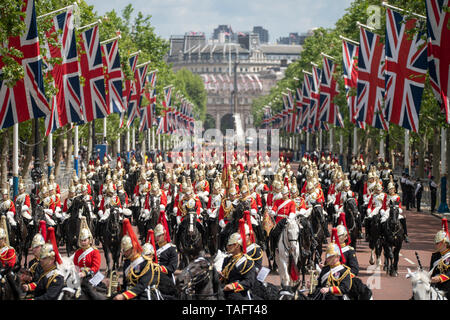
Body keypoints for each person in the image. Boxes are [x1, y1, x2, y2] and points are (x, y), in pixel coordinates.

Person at [114, 219, 165, 300]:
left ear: (132, 248)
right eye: (123, 251)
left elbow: (141, 285)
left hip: (142, 295)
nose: (124, 253)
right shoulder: (127, 262)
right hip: (129, 293)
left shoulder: (146, 263)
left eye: (126, 250)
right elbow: (126, 284)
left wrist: (124, 296)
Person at [24, 227, 65, 300]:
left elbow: (50, 297)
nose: (41, 260)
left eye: (44, 258)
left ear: (52, 259)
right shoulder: (45, 275)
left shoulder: (56, 277)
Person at [219, 232, 256, 300]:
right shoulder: (227, 259)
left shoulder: (247, 261)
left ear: (237, 246)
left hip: (239, 292)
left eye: (230, 245)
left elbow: (249, 281)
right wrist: (220, 276)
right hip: (224, 289)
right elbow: (225, 278)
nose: (227, 247)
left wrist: (233, 286)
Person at [316, 234, 352, 300]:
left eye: (332, 257)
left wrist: (329, 289)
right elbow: (319, 285)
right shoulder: (325, 269)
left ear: (338, 257)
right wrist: (312, 286)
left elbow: (345, 288)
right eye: (328, 257)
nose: (329, 259)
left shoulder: (345, 271)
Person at [22, 221, 47, 294]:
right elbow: (30, 278)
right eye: (33, 247)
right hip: (33, 291)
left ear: (42, 247)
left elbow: (43, 281)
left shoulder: (46, 262)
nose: (33, 249)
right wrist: (24, 280)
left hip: (43, 292)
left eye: (36, 247)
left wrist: (29, 286)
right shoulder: (31, 262)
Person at [429, 219, 450, 299]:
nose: (436, 245)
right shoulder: (435, 256)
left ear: (444, 243)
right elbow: (432, 271)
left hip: (447, 287)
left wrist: (440, 278)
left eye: (437, 243)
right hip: (435, 287)